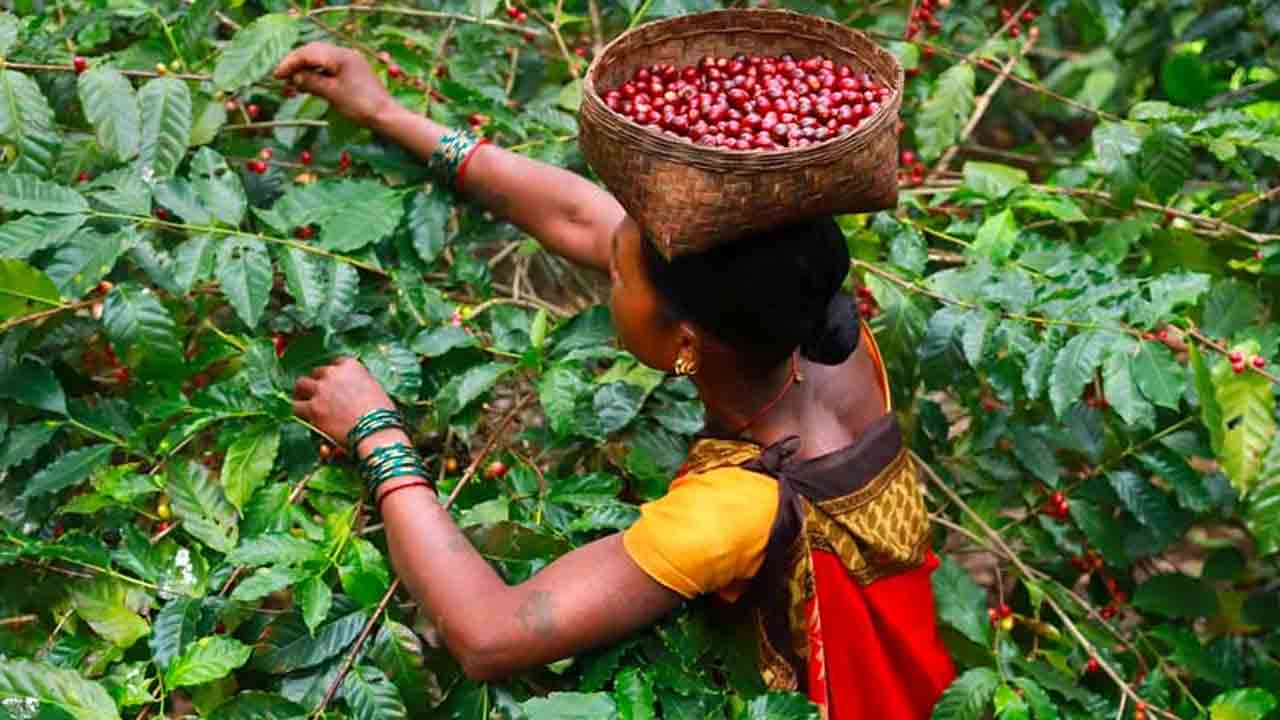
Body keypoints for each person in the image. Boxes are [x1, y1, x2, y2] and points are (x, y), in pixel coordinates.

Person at [278, 42, 955, 720]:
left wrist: (377, 433)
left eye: (620, 277)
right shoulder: (819, 323)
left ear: (685, 340)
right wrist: (388, 113)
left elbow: (489, 633)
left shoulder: (728, 515)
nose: (609, 273)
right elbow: (580, 216)